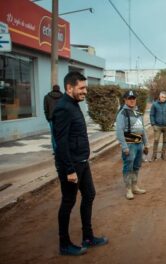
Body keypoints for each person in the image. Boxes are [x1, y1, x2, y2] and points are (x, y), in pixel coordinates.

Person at [52, 71, 108, 256]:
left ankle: (88, 237)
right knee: (68, 202)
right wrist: (69, 169)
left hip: (82, 161)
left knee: (89, 194)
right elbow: (61, 142)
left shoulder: (75, 105)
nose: (85, 91)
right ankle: (64, 244)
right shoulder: (63, 108)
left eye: (86, 87)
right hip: (71, 165)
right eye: (81, 88)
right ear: (70, 88)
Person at [116, 90, 148, 200]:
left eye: (133, 98)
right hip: (129, 145)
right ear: (125, 100)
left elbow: (142, 129)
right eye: (129, 98)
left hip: (139, 144)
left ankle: (135, 186)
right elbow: (119, 131)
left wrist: (146, 144)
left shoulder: (138, 112)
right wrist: (124, 146)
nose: (132, 100)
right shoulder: (122, 113)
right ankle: (128, 189)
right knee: (128, 167)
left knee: (136, 166)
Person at [150, 91, 166, 160]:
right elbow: (151, 115)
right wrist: (153, 124)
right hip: (157, 126)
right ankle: (154, 155)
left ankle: (163, 155)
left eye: (165, 97)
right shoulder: (154, 105)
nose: (163, 98)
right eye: (162, 97)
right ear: (159, 97)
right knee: (156, 140)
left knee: (165, 141)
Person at [43, 84, 63, 152]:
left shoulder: (46, 97)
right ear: (59, 89)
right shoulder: (63, 97)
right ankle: (61, 148)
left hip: (51, 118)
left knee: (53, 135)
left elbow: (45, 109)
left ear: (52, 89)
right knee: (62, 133)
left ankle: (55, 150)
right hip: (61, 118)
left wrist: (48, 118)